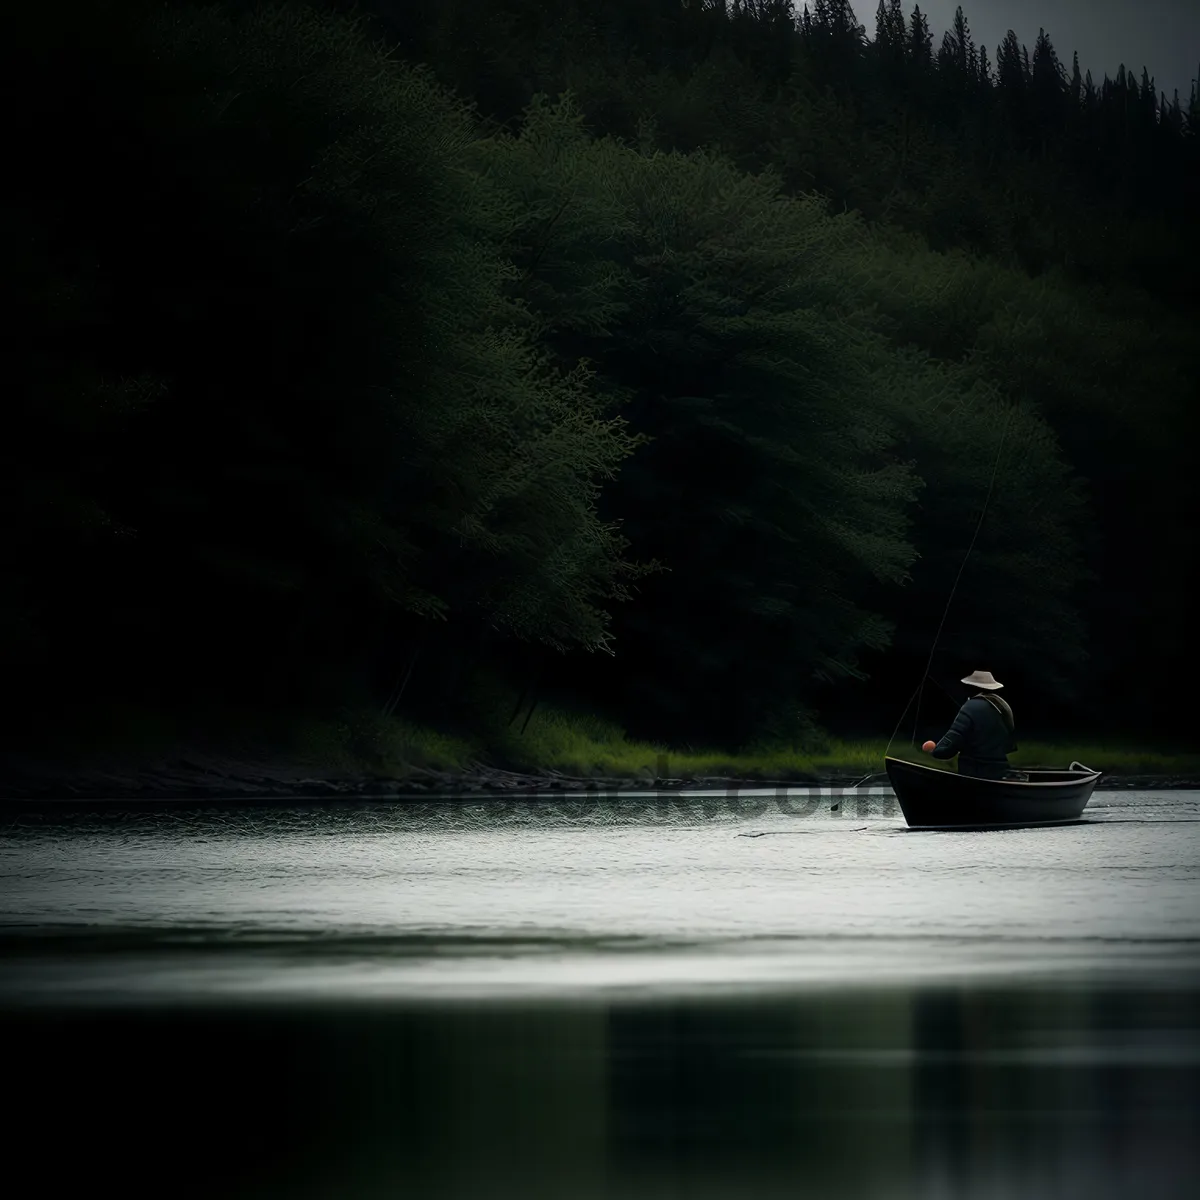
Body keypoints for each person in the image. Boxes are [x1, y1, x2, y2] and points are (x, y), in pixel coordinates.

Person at [920, 670, 1017, 780]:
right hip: (1000, 770)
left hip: (975, 773)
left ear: (972, 688)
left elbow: (950, 744)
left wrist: (935, 751)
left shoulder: (970, 707)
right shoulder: (1000, 707)